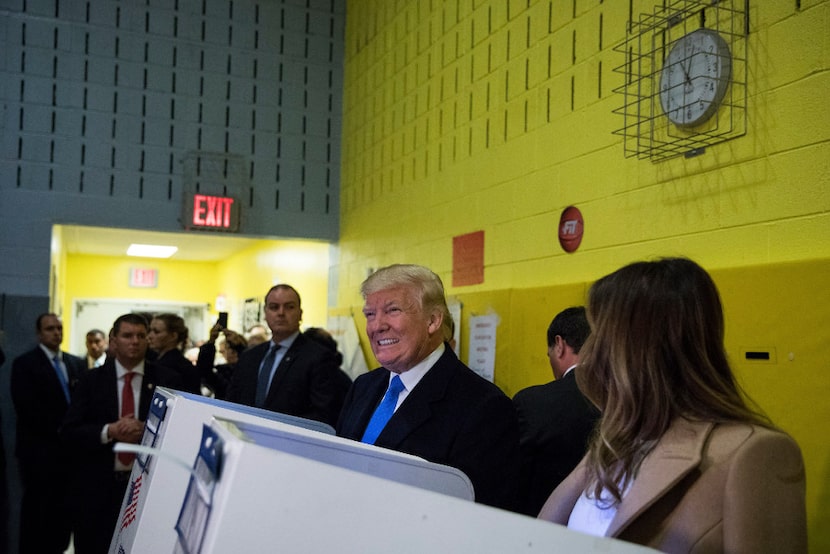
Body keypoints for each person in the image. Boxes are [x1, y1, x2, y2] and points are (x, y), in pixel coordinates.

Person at [538, 258, 807, 553]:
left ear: (642, 347)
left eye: (602, 335)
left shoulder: (754, 455)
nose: (591, 352)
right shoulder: (615, 442)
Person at [336, 264, 521, 511]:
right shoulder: (363, 387)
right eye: (370, 314)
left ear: (433, 320)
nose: (377, 326)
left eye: (392, 310)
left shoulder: (483, 407)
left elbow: (482, 514)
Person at [61, 313, 182, 554]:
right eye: (127, 335)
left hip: (145, 490)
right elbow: (69, 432)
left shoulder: (167, 381)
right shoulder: (90, 380)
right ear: (113, 340)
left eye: (140, 336)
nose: (134, 341)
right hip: (97, 489)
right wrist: (110, 431)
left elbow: (181, 434)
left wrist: (147, 431)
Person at [512, 306, 600, 516]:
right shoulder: (627, 400)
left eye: (549, 352)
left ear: (559, 345)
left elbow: (511, 477)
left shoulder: (532, 402)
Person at [10, 313, 86, 553]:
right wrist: (63, 429)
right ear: (39, 333)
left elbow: (83, 403)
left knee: (63, 511)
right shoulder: (25, 364)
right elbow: (27, 407)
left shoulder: (76, 364)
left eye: (59, 328)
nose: (56, 333)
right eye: (50, 328)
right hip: (39, 452)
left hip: (69, 454)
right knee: (38, 510)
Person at [226, 285, 343, 426]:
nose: (281, 313)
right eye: (274, 307)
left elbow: (324, 414)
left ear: (300, 313)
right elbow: (232, 403)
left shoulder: (319, 358)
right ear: (265, 313)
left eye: (289, 307)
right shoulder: (249, 357)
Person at [147, 313, 201, 394]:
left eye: (156, 332)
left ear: (173, 336)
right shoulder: (153, 360)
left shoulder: (180, 367)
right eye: (150, 331)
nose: (150, 336)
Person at [196, 322, 247, 399]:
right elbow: (205, 372)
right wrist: (211, 342)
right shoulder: (223, 372)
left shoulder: (249, 370)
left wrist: (239, 347)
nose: (226, 353)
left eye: (228, 348)